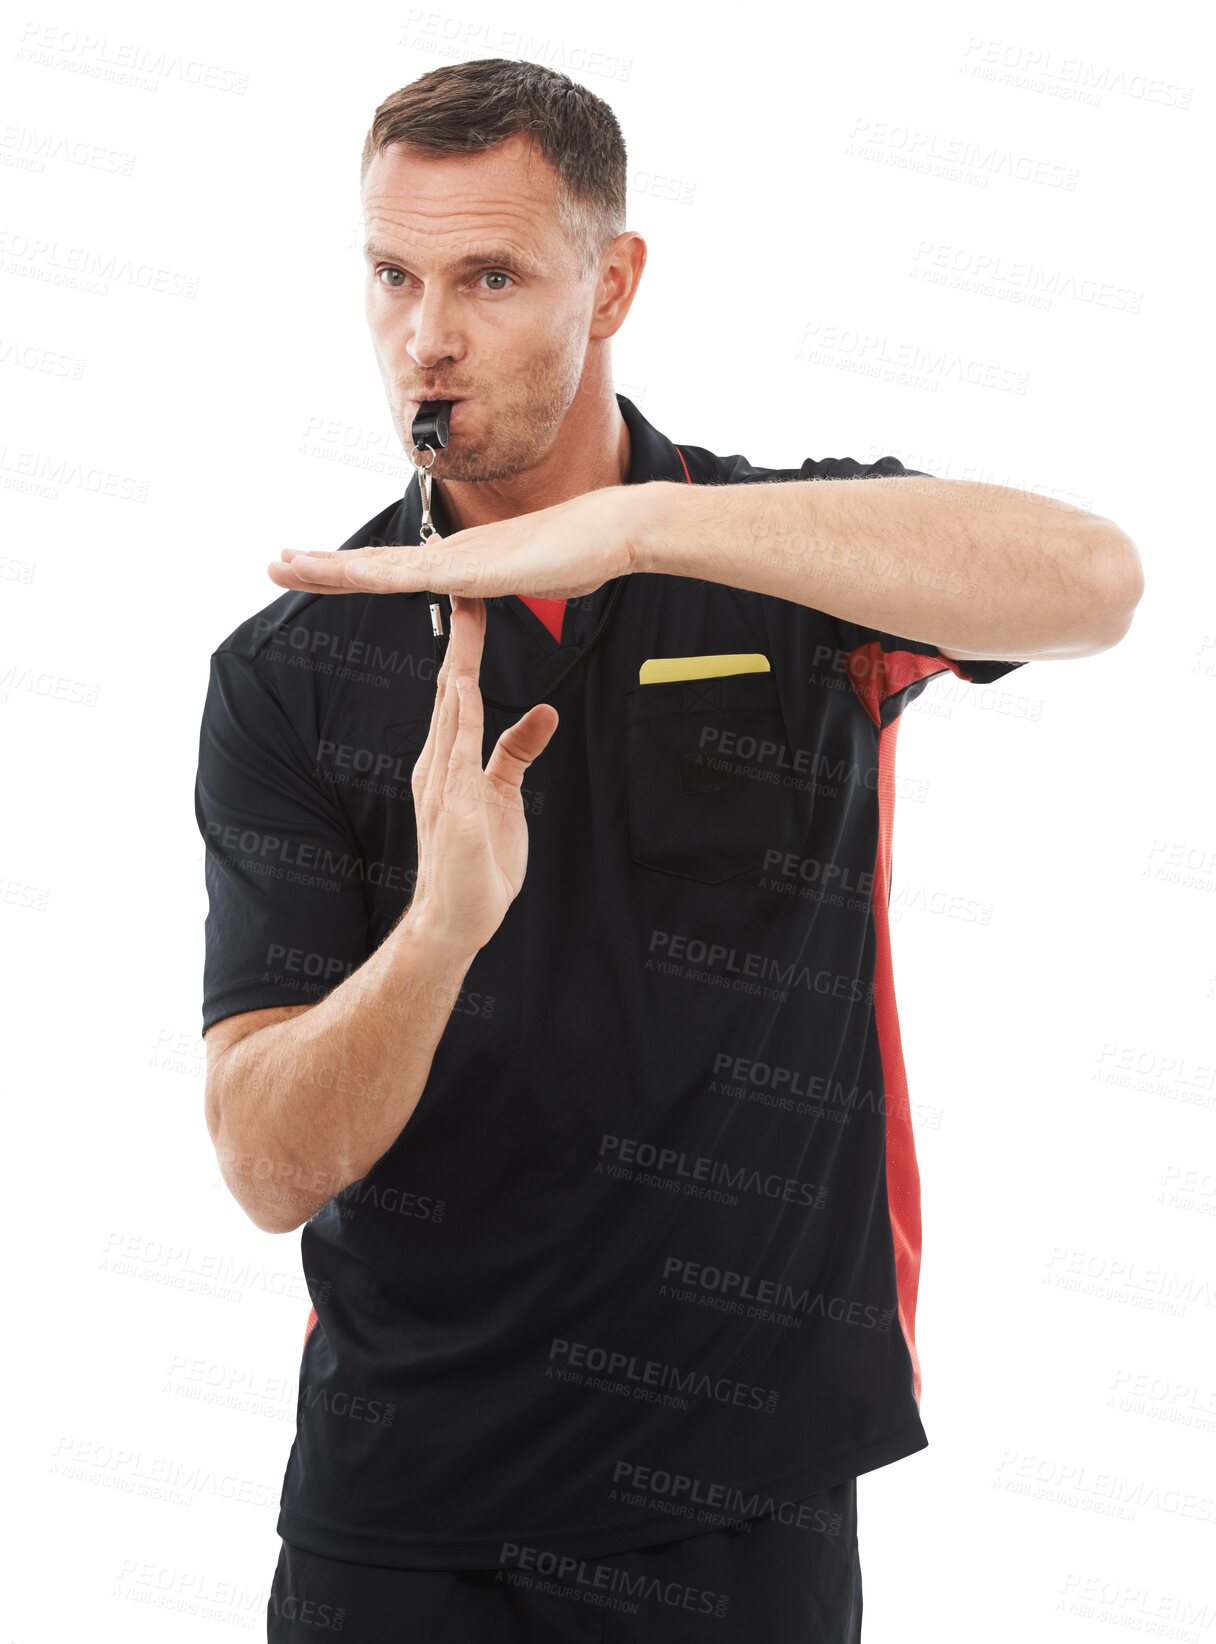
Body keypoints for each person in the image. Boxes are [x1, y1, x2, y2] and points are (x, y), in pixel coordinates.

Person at [194, 59, 1143, 1644]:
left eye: (491, 277)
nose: (427, 334)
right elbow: (266, 1167)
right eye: (393, 276)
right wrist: (436, 936)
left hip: (745, 1492)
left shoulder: (788, 561)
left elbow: (1097, 581)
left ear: (614, 281)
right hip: (407, 1519)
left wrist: (636, 529)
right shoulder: (292, 670)